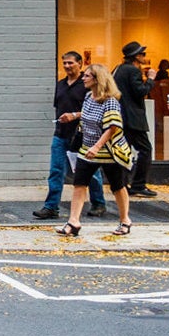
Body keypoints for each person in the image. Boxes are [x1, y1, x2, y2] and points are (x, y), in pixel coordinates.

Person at [58, 63, 134, 238]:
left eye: (87, 76)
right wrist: (74, 116)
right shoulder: (88, 97)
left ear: (97, 79)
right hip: (87, 148)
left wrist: (97, 146)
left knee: (117, 186)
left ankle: (125, 220)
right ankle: (73, 221)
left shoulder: (110, 101)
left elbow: (113, 127)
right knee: (79, 183)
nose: (83, 78)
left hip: (109, 151)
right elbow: (86, 115)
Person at [34, 51, 106, 220]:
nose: (67, 66)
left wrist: (74, 115)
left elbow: (95, 109)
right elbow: (58, 106)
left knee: (90, 171)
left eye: (70, 63)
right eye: (65, 63)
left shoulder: (86, 85)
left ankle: (98, 203)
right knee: (56, 170)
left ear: (80, 64)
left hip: (83, 135)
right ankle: (51, 206)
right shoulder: (60, 84)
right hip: (60, 134)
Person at [112, 41, 157, 198]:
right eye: (142, 54)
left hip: (120, 116)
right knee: (145, 149)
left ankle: (122, 184)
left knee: (124, 151)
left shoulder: (118, 69)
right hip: (133, 118)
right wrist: (150, 79)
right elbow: (140, 91)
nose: (144, 56)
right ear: (136, 56)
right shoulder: (133, 71)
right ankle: (138, 184)